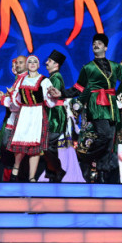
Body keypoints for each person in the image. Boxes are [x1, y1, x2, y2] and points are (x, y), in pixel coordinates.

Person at [63, 33, 122, 183]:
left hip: (111, 106)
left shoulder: (115, 66)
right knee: (105, 135)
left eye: (99, 43)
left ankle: (102, 173)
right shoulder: (88, 67)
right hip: (97, 104)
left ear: (106, 47)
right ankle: (85, 154)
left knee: (110, 141)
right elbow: (78, 88)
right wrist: (61, 93)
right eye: (94, 43)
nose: (96, 45)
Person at [0, 56, 26, 181]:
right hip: (11, 118)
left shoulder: (23, 80)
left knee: (14, 149)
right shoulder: (17, 80)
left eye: (18, 64)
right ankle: (11, 176)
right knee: (6, 148)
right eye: (13, 65)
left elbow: (18, 102)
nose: (15, 67)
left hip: (18, 119)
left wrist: (4, 98)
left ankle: (16, 176)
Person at [43, 50, 68, 182]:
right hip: (52, 114)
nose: (46, 63)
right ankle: (52, 173)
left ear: (56, 64)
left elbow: (53, 97)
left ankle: (58, 170)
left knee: (47, 145)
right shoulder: (52, 77)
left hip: (55, 115)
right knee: (50, 146)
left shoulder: (56, 78)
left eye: (50, 61)